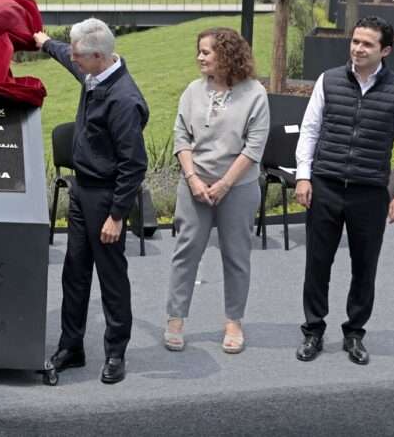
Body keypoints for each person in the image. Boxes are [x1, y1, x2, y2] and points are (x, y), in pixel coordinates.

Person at [294, 16, 394, 365]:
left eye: (367, 44)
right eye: (355, 41)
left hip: (369, 192)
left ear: (385, 50)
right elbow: (310, 130)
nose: (358, 48)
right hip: (326, 186)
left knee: (364, 266)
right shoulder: (329, 80)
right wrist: (303, 177)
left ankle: (354, 333)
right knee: (317, 263)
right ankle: (313, 331)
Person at [35, 19, 148, 385]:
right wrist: (43, 42)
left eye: (79, 56)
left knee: (111, 278)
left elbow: (134, 165)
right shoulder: (94, 74)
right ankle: (72, 345)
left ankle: (116, 351)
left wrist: (117, 215)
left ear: (99, 56)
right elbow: (69, 60)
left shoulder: (124, 100)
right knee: (75, 272)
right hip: (82, 191)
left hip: (106, 196)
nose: (74, 60)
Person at [165, 27, 269, 354]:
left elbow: (254, 147)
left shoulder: (255, 94)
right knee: (186, 253)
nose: (199, 57)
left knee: (236, 257)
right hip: (194, 184)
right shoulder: (192, 91)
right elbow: (181, 137)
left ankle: (233, 322)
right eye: (199, 51)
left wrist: (225, 184)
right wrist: (194, 179)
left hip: (237, 188)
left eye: (206, 52)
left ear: (226, 54)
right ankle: (176, 319)